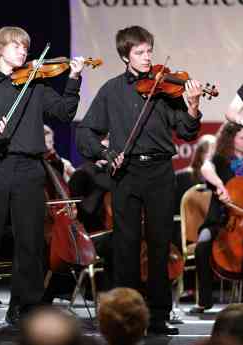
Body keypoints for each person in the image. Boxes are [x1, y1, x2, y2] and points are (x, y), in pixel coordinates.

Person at [76, 25, 203, 335]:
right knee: (126, 247)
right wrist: (106, 156)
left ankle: (158, 316)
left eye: (149, 51)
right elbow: (86, 132)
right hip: (126, 173)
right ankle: (126, 315)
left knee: (160, 246)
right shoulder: (111, 90)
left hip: (160, 172)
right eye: (140, 52)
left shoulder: (165, 87)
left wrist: (194, 106)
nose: (147, 58)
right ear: (125, 56)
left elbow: (186, 131)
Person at [0, 26, 84, 325]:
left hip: (29, 170)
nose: (24, 52)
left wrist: (74, 78)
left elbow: (64, 112)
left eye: (26, 47)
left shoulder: (35, 85)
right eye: (17, 47)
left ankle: (23, 306)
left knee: (31, 243)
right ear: (0, 50)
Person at [189, 122, 243, 314]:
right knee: (203, 244)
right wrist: (220, 184)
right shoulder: (220, 160)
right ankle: (204, 300)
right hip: (219, 219)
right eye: (241, 138)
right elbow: (206, 168)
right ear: (231, 140)